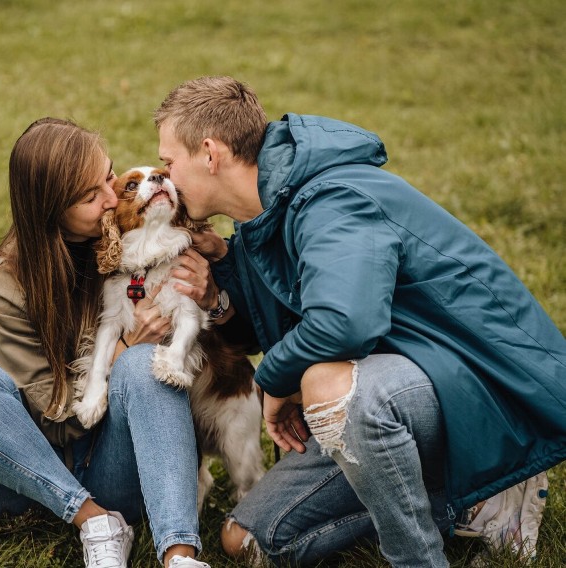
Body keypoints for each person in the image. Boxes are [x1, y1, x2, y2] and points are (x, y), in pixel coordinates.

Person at [153, 76, 566, 567]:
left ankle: (420, 554)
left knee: (328, 386)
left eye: (167, 162)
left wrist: (273, 382)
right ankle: (465, 498)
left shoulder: (333, 201)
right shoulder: (263, 217)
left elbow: (344, 323)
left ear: (209, 152)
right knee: (249, 541)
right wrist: (220, 291)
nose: (165, 177)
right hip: (398, 391)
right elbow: (264, 328)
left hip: (479, 387)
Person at [0, 118, 216, 568]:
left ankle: (180, 556)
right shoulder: (6, 284)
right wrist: (122, 348)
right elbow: (53, 422)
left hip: (115, 468)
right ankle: (95, 521)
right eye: (89, 195)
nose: (111, 197)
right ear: (51, 210)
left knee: (147, 365)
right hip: (19, 479)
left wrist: (214, 276)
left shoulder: (132, 249)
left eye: (107, 176)